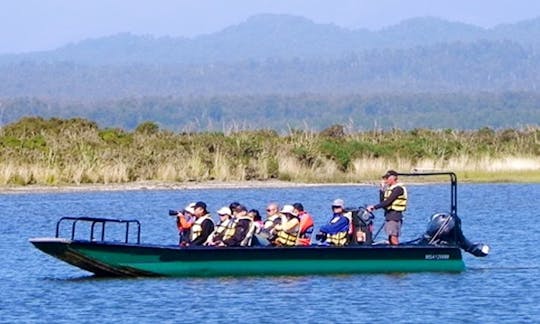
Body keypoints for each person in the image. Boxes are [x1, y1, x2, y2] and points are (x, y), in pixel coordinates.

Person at [367, 170, 408, 245]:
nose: (385, 180)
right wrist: (382, 191)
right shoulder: (390, 189)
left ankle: (398, 254)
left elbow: (388, 201)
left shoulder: (398, 189)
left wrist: (374, 207)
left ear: (393, 178)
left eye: (387, 178)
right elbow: (383, 202)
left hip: (395, 216)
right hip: (389, 215)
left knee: (393, 237)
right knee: (390, 237)